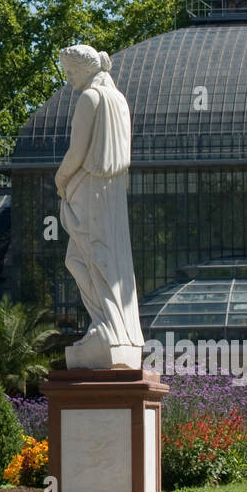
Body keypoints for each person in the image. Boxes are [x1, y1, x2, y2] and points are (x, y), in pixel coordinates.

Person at [54, 44, 144, 369]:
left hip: (91, 190)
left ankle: (107, 326)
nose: (68, 78)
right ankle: (117, 328)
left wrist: (60, 179)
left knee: (86, 257)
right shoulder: (118, 100)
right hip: (111, 193)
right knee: (107, 258)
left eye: (70, 71)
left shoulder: (91, 99)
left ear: (84, 68)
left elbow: (77, 152)